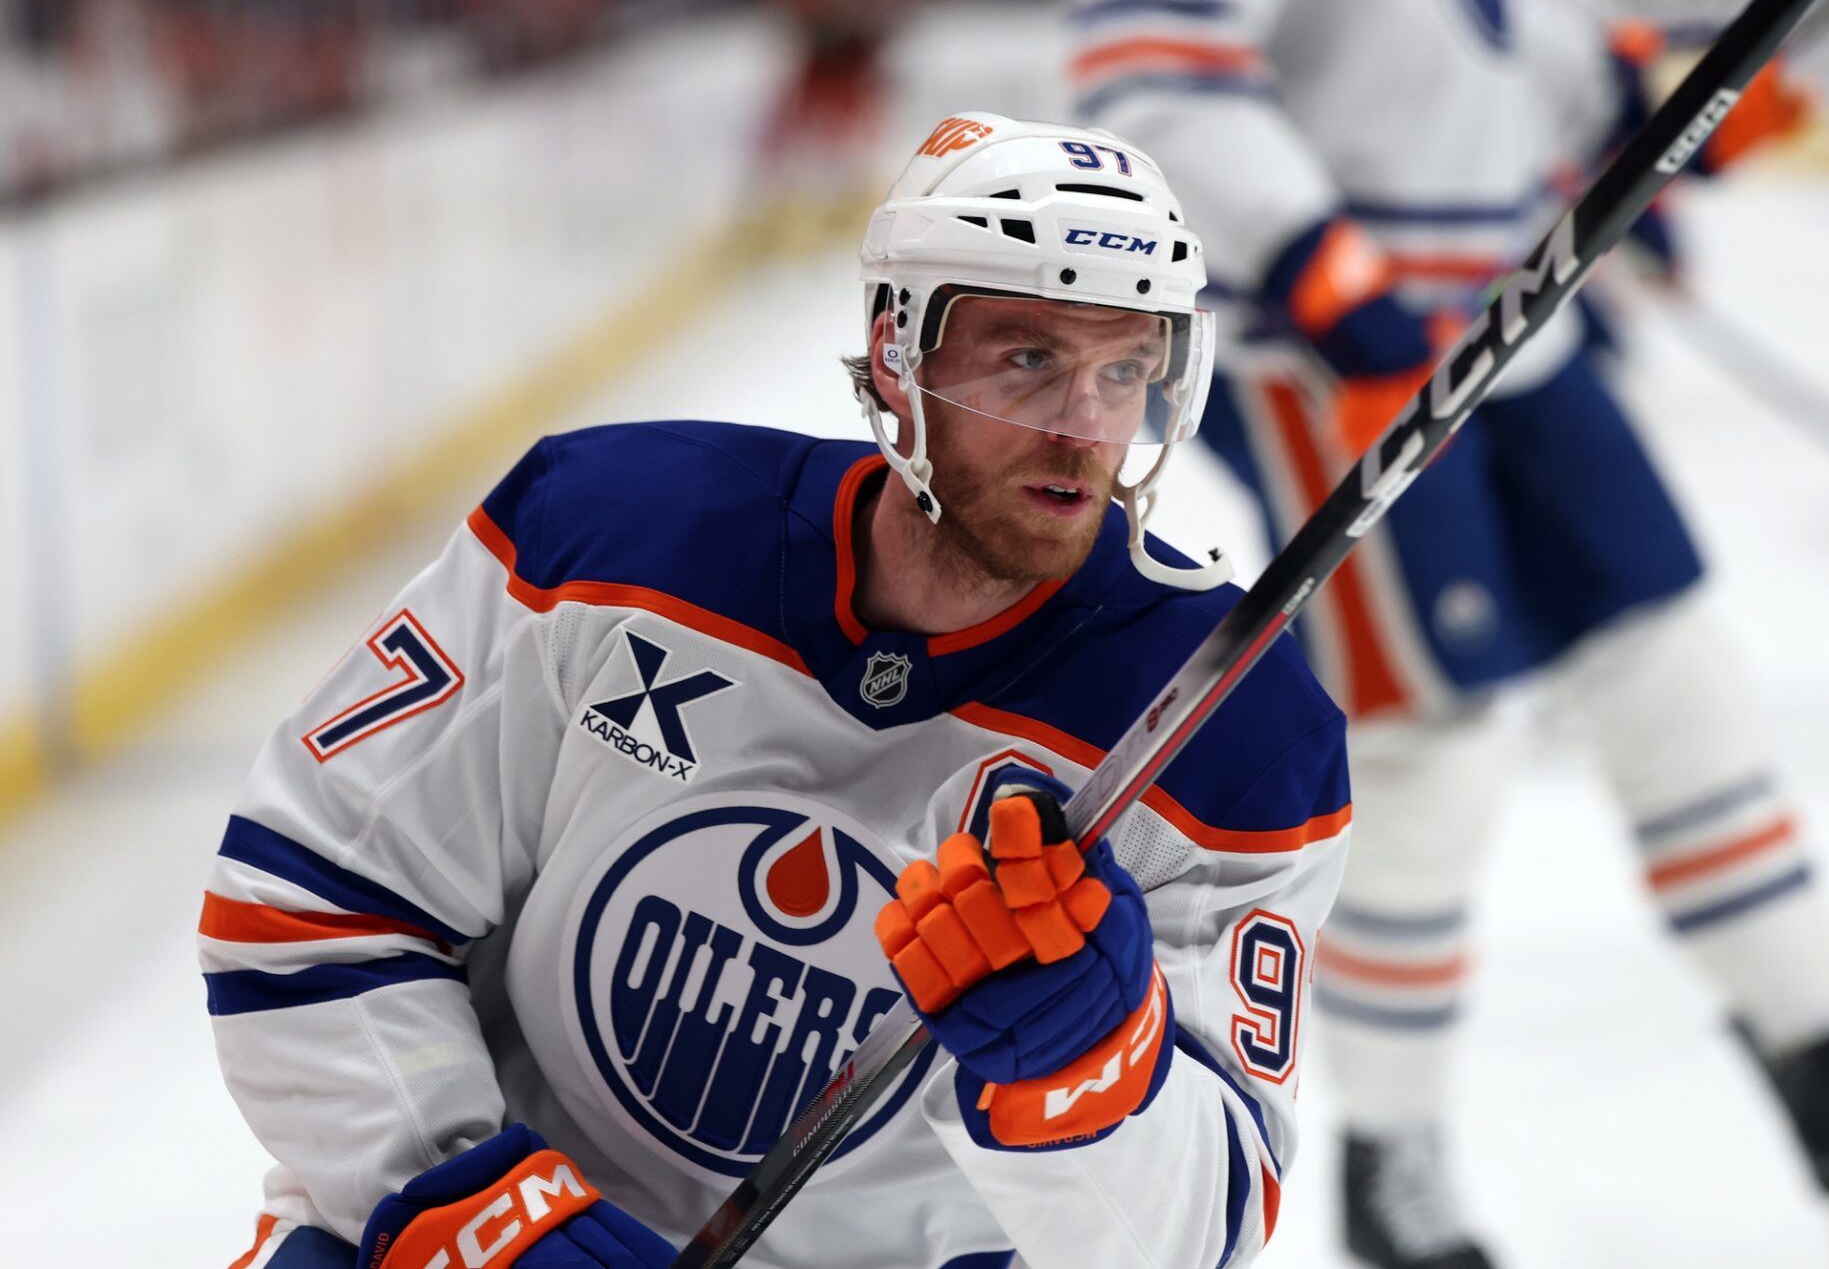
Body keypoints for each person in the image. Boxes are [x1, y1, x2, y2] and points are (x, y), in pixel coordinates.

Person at [204, 112, 1354, 1269]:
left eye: (1124, 371)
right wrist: (476, 1218)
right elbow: (312, 899)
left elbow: (1196, 1238)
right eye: (1028, 359)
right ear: (896, 348)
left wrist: (1093, 1069)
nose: (1083, 430)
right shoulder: (610, 535)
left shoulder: (1230, 734)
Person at [1063, 0, 1829, 1266]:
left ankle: (1823, 1057)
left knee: (1673, 674)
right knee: (1434, 751)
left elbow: (1515, 52)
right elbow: (1150, 65)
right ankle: (1392, 1162)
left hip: (1524, 321)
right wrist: (1316, 267)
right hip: (1342, 360)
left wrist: (1648, 108)